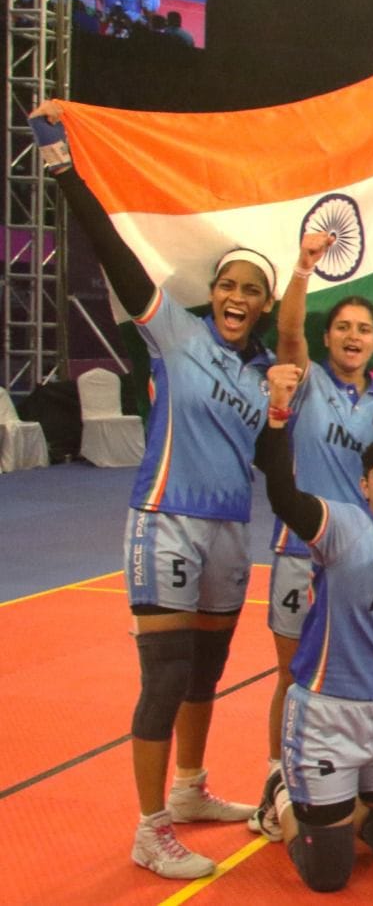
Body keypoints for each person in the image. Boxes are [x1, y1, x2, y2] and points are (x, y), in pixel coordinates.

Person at [33, 100, 270, 878]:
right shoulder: (176, 331)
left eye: (252, 290)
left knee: (205, 672)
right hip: (166, 519)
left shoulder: (267, 373)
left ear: (265, 304)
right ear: (214, 290)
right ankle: (148, 825)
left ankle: (191, 788)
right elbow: (114, 251)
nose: (237, 296)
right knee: (165, 677)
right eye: (228, 284)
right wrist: (64, 169)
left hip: (230, 531)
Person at [251, 232, 373, 843]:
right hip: (301, 551)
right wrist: (303, 267)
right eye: (343, 327)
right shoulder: (307, 379)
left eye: (363, 329)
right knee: (293, 675)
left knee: (357, 671)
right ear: (329, 336)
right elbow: (289, 331)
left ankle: (349, 783)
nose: (353, 336)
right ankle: (276, 783)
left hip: (363, 562)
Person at [252, 365, 373, 891]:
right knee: (328, 876)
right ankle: (282, 794)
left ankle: (339, 806)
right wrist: (278, 415)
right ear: (364, 485)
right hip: (327, 714)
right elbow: (283, 496)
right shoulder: (342, 525)